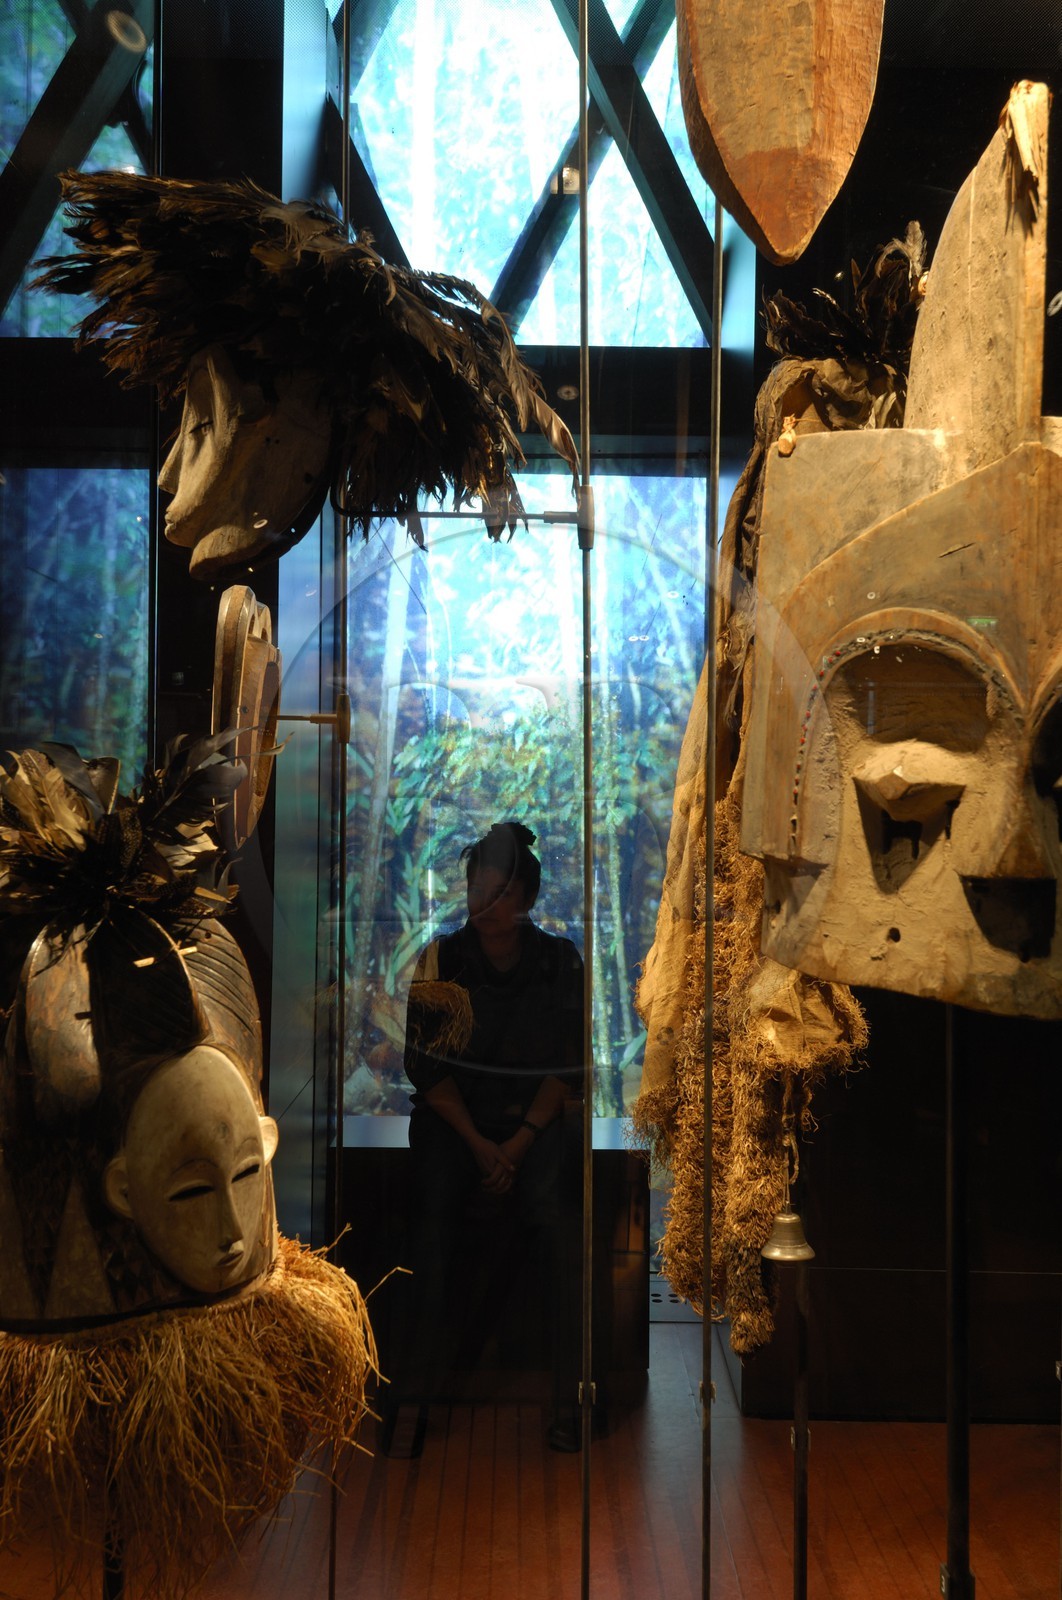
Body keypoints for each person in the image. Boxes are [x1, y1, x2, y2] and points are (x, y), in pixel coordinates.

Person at [385, 820, 583, 1455]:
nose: (483, 905)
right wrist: (478, 1143)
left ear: (525, 898)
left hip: (533, 1124)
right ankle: (410, 1400)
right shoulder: (442, 957)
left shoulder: (559, 961)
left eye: (498, 894)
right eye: (476, 889)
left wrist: (520, 1142)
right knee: (430, 1227)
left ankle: (570, 1398)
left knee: (555, 1220)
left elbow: (567, 1068)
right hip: (455, 1125)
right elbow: (426, 1067)